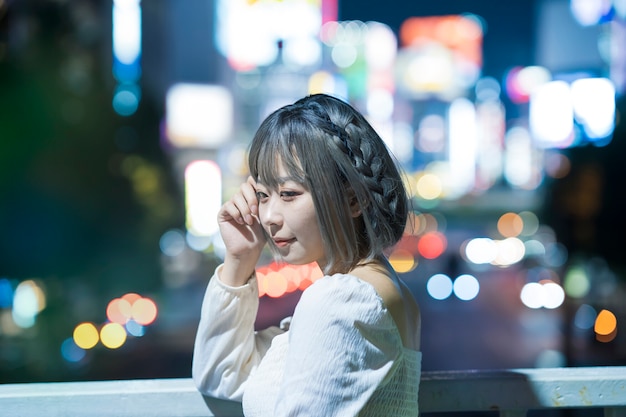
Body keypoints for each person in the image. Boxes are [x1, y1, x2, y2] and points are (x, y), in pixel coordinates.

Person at [192, 93, 421, 416]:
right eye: (261, 195)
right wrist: (240, 258)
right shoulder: (375, 290)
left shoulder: (342, 301)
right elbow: (221, 377)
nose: (268, 215)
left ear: (354, 199)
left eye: (288, 194)